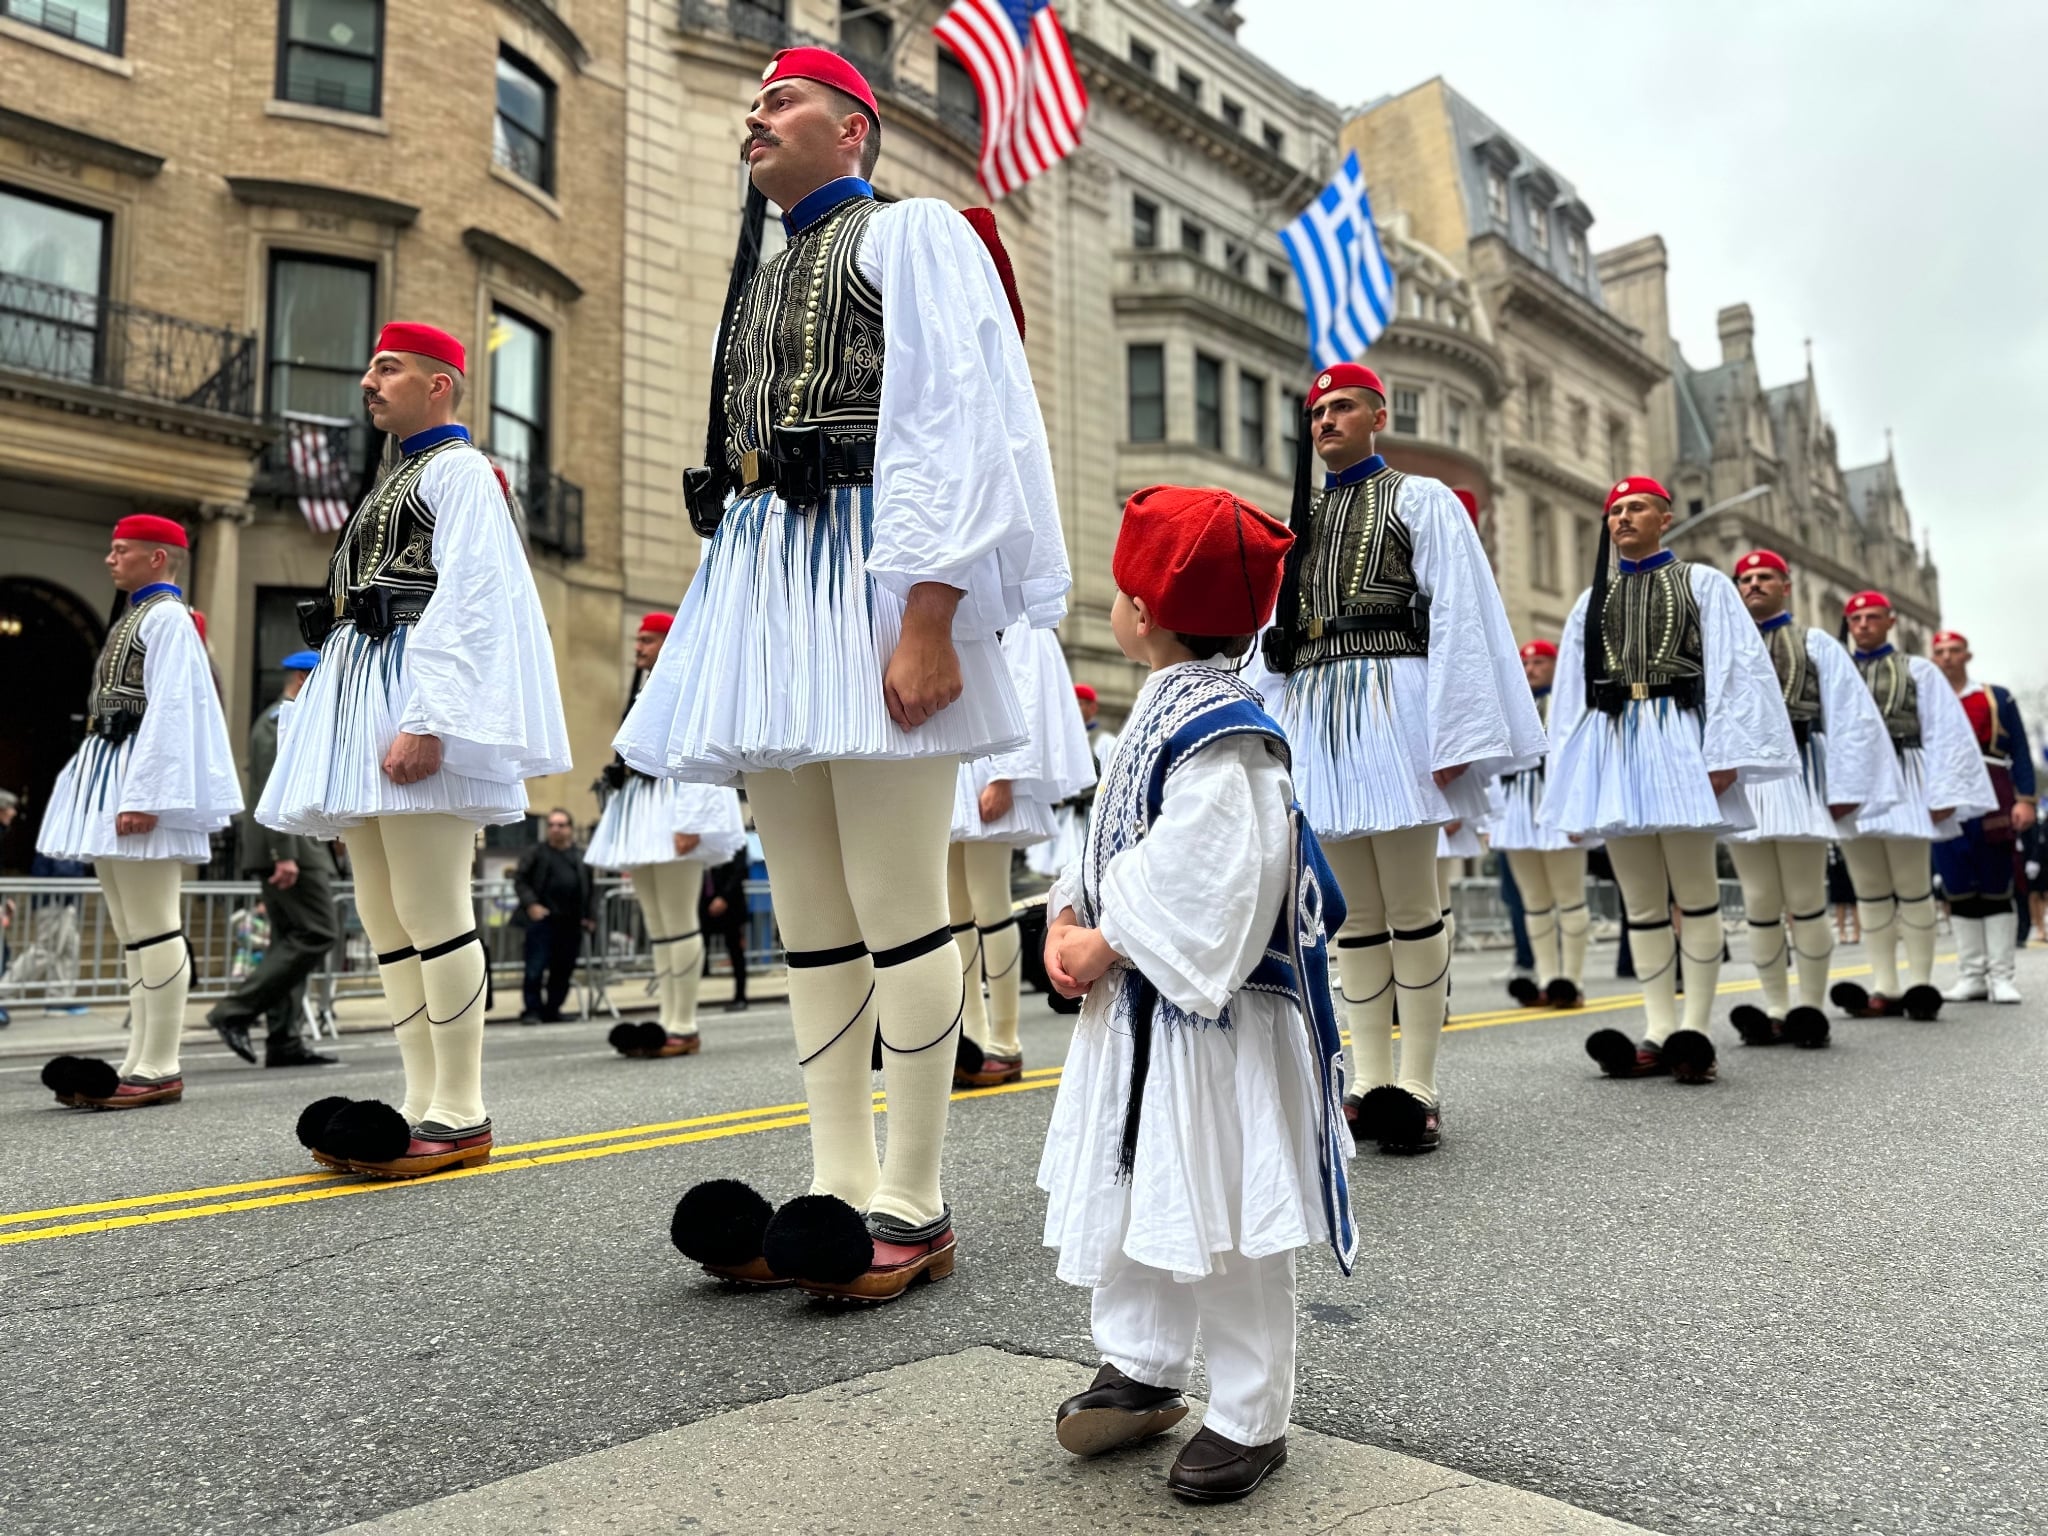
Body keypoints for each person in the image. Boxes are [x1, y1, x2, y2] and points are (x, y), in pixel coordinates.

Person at [628, 47, 1068, 1302]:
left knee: (895, 900)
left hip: (868, 571)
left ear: (854, 129)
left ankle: (913, 1197)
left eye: (780, 101)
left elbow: (951, 422)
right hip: (771, 576)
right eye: (754, 103)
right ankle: (832, 1184)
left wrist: (929, 612)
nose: (751, 117)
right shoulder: (766, 273)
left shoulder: (912, 232)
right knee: (811, 916)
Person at [1039, 483, 1352, 1505]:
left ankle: (1250, 1413)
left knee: (1222, 1212)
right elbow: (1116, 830)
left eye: (1124, 589)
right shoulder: (1167, 706)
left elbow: (1210, 874)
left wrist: (1108, 939)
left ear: (1145, 612)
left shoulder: (1225, 730)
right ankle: (1139, 1362)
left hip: (1201, 1018)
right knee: (1141, 1189)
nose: (1115, 605)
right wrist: (1066, 910)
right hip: (1143, 1015)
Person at [262, 321, 570, 1178]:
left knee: (434, 907)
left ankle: (461, 1107)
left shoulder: (461, 472)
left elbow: (470, 600)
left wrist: (431, 717)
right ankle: (418, 1098)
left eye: (387, 367)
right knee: (384, 914)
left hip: (408, 691)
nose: (368, 380)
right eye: (369, 366)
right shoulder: (390, 479)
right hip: (363, 688)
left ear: (439, 384)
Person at [1256, 362, 1543, 1153]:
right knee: (1354, 912)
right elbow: (1270, 639)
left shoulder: (1423, 500)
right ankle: (1367, 1077)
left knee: (1413, 903)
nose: (1326, 422)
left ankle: (1418, 1081)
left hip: (1396, 703)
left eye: (1343, 407)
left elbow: (1457, 612)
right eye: (1316, 413)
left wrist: (1456, 732)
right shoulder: (1299, 521)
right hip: (1319, 708)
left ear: (1378, 416)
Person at [1543, 478, 1798, 1086]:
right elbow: (1571, 698)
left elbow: (1737, 669)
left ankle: (1698, 1028)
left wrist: (1726, 752)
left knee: (1694, 889)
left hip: (1681, 734)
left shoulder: (1704, 583)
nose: (1623, 518)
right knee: (1642, 901)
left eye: (1637, 509)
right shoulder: (1589, 601)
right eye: (1615, 511)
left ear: (1665, 518)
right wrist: (1572, 781)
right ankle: (1659, 1027)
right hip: (1617, 740)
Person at [36, 516, 242, 1110]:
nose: (110, 558)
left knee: (155, 924)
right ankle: (139, 1057)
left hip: (137, 777)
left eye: (121, 550)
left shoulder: (169, 620)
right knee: (131, 930)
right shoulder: (134, 617)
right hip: (113, 769)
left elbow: (172, 711)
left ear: (158, 558)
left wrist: (146, 796)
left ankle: (161, 1061)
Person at [1721, 551, 1901, 1049]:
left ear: (1787, 585)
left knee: (1804, 897)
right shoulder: (1722, 644)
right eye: (1746, 579)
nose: (1754, 585)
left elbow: (1851, 717)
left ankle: (1809, 1007)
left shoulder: (1816, 642)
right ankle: (1776, 1007)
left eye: (1765, 578)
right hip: (1744, 778)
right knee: (1758, 899)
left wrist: (1845, 790)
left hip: (1800, 774)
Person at [1829, 592, 1995, 1020]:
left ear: (1891, 621)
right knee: (1870, 891)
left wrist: (1943, 794)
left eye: (1872, 617)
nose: (1863, 624)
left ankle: (1920, 984)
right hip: (1854, 782)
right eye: (1856, 618)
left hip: (1906, 778)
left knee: (1913, 888)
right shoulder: (1835, 669)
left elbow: (1945, 732)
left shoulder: (1919, 669)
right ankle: (1886, 985)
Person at [588, 614, 749, 1056]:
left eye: (647, 640)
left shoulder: (684, 683)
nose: (637, 647)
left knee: (679, 922)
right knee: (659, 926)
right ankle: (668, 1017)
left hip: (673, 808)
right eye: (637, 640)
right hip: (645, 810)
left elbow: (699, 752)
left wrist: (692, 822)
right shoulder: (646, 690)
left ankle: (684, 1021)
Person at [951, 625, 1095, 1088]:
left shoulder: (1020, 616)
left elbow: (1025, 686)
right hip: (952, 761)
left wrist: (1007, 775)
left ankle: (1005, 1039)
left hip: (988, 764)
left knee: (988, 905)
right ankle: (971, 1036)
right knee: (955, 912)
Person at [206, 649, 340, 1068]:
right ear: (303, 679)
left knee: (291, 940)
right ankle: (233, 1011)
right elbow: (269, 791)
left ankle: (284, 1039)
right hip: (289, 850)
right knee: (318, 932)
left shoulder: (293, 719)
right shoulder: (277, 722)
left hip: (296, 846)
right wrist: (284, 854)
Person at [1929, 629, 2036, 1003]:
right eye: (1939, 652)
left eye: (1953, 651)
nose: (1946, 657)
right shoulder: (1927, 700)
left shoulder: (1995, 697)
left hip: (1993, 791)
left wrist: (2026, 799)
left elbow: (2020, 749)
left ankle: (2002, 975)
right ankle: (1971, 974)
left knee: (1996, 882)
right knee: (1957, 885)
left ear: (1967, 656)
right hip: (1944, 795)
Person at [1491, 638, 1594, 1010]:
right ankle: (1550, 979)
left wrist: (1580, 809)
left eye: (1540, 663)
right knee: (1533, 901)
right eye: (1527, 663)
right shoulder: (1515, 706)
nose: (1531, 669)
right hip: (1518, 806)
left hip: (1557, 802)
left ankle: (1575, 979)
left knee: (1569, 897)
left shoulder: (1568, 704)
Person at [515, 809, 596, 1024]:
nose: (555, 829)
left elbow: (589, 888)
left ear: (570, 828)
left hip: (570, 921)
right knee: (535, 967)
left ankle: (553, 1009)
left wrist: (589, 915)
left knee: (563, 969)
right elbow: (520, 880)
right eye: (551, 825)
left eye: (560, 825)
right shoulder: (536, 853)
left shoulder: (579, 857)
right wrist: (532, 904)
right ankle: (532, 1010)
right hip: (543, 921)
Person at [699, 846, 752, 1011]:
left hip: (731, 905)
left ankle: (740, 996)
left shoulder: (737, 840)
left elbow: (739, 871)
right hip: (705, 904)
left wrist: (724, 897)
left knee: (736, 952)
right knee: (697, 951)